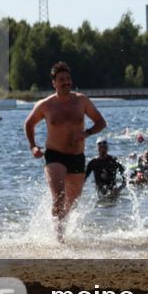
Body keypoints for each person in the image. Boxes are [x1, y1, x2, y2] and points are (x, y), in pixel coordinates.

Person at [24, 62, 107, 241]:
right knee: (59, 198)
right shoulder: (45, 105)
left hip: (77, 157)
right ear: (54, 83)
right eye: (62, 80)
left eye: (68, 79)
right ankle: (58, 239)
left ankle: (61, 226)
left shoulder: (81, 101)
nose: (66, 82)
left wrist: (86, 133)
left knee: (71, 202)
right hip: (55, 155)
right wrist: (33, 146)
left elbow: (101, 122)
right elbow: (29, 124)